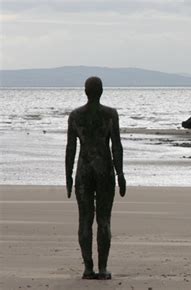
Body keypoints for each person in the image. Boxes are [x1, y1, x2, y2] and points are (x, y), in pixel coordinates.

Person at [65, 76, 126, 280]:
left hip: (83, 170)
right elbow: (116, 146)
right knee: (103, 220)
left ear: (85, 91)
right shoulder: (110, 115)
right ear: (101, 91)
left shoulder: (75, 116)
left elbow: (71, 148)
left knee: (84, 219)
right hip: (104, 169)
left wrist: (68, 176)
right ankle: (102, 268)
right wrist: (120, 173)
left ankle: (88, 268)